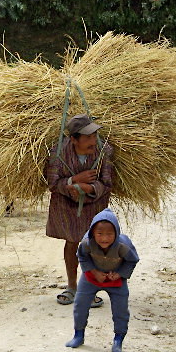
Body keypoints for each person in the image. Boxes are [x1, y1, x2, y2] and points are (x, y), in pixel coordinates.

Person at [45, 114, 114, 307]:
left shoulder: (104, 151)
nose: (93, 141)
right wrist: (74, 181)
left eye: (94, 136)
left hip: (94, 204)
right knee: (72, 242)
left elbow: (107, 184)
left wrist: (89, 188)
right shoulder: (58, 153)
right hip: (66, 205)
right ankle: (72, 287)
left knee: (92, 245)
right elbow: (53, 183)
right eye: (88, 137)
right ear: (73, 139)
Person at [65, 208, 139, 352]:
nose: (104, 238)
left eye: (109, 234)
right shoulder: (86, 243)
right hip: (91, 278)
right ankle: (78, 335)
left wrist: (119, 274)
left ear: (116, 233)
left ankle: (118, 339)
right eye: (99, 234)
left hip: (116, 280)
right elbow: (82, 257)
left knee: (121, 310)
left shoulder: (123, 245)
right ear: (93, 233)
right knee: (80, 305)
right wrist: (93, 271)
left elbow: (132, 260)